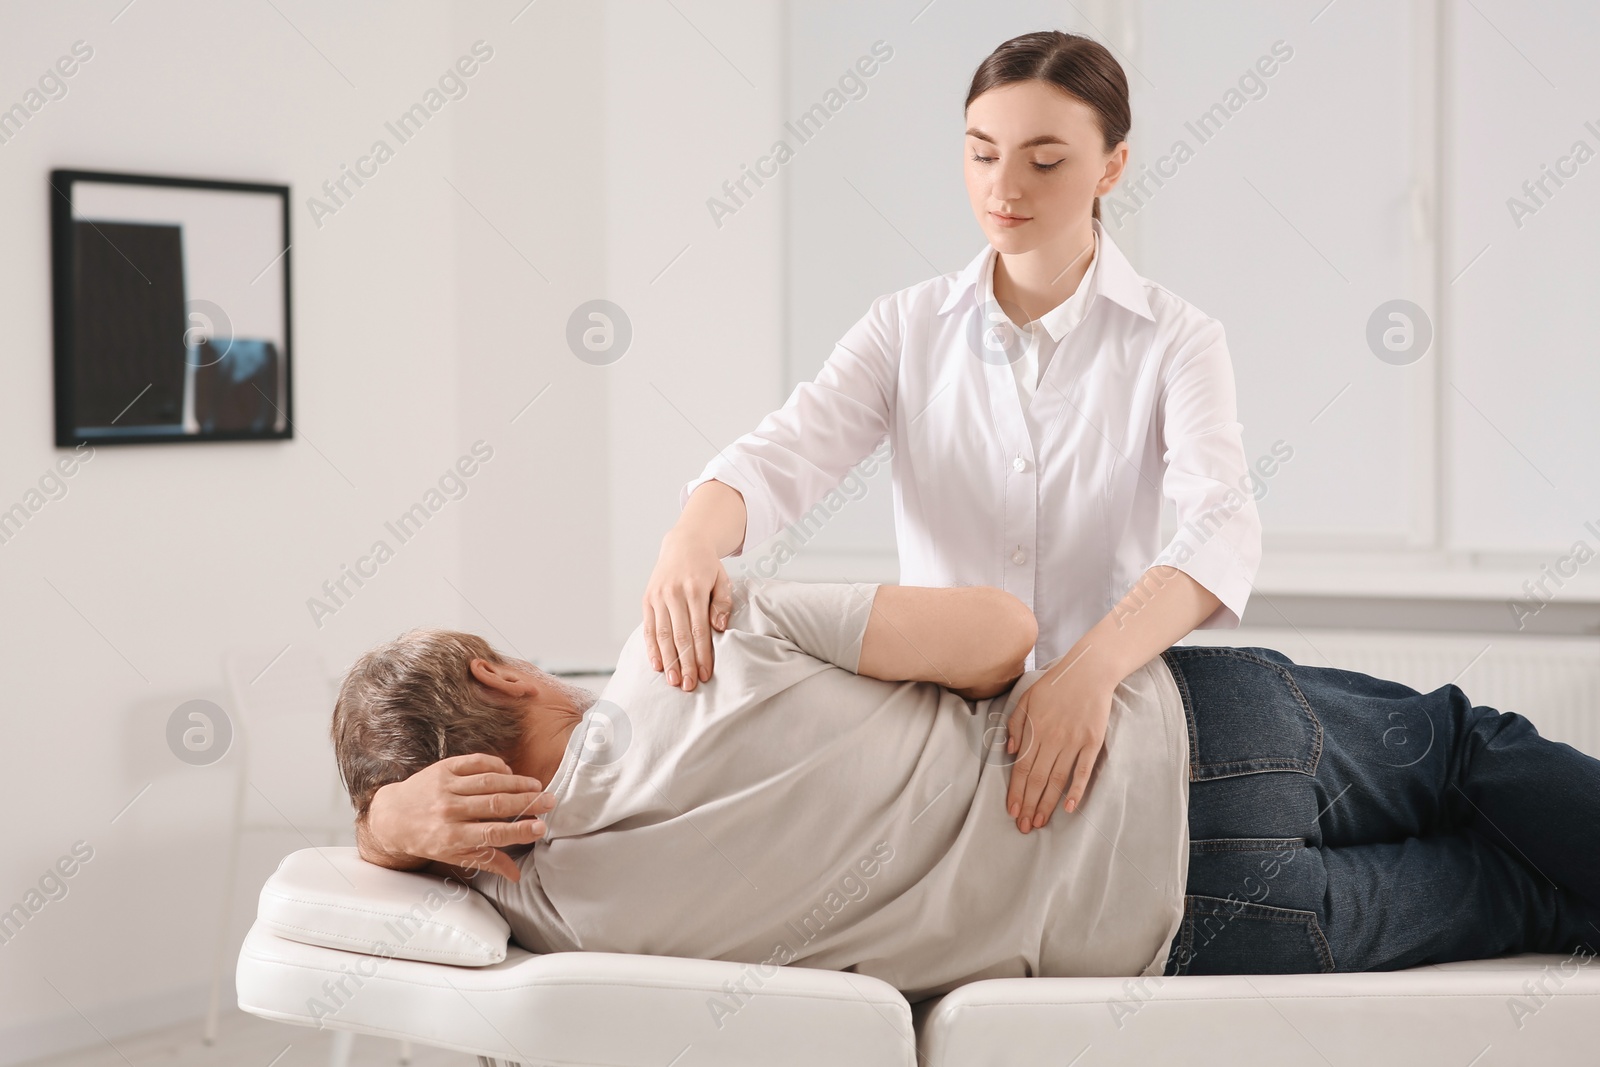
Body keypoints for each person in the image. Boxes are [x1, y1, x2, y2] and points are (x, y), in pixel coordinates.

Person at [338, 577, 1600, 1003]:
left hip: (1195, 932)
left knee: (1529, 902)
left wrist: (388, 825)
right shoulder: (707, 638)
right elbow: (1003, 633)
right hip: (1190, 738)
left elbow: (326, 906)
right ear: (498, 667)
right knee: (1467, 751)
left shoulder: (543, 911)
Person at [642, 30, 1266, 836]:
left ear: (1112, 166)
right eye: (980, 154)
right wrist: (691, 540)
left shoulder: (1176, 339)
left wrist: (1092, 669)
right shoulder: (907, 329)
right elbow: (781, 455)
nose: (1003, 188)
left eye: (1044, 162)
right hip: (936, 736)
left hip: (1108, 721)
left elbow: (1222, 525)